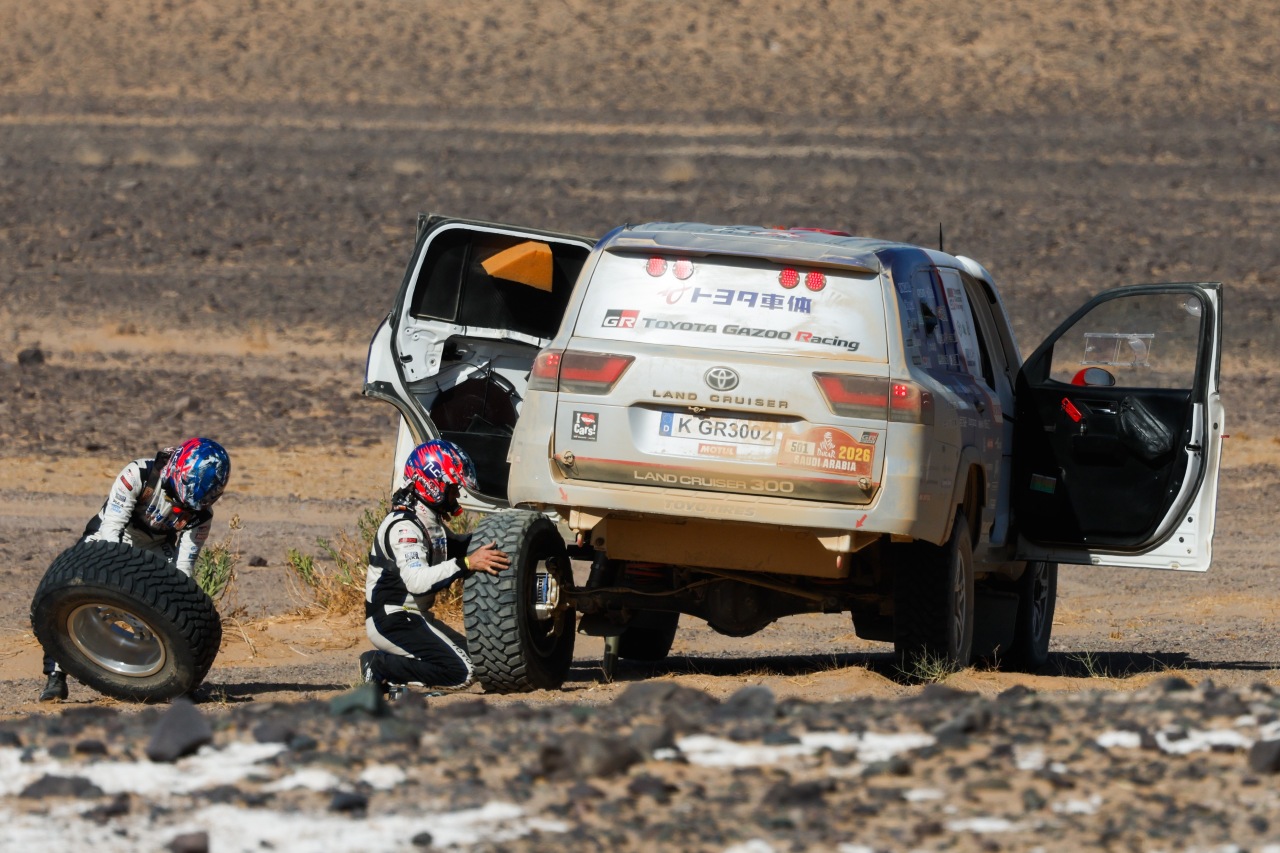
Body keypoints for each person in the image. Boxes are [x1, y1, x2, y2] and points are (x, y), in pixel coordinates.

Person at [38, 437, 231, 702]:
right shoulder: (138, 474)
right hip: (111, 536)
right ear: (177, 468)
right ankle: (55, 677)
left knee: (177, 597)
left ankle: (176, 680)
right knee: (68, 591)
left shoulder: (201, 515)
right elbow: (111, 531)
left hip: (156, 547)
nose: (188, 505)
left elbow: (184, 569)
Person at [360, 439, 509, 697]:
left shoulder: (426, 520)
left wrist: (506, 536)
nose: (456, 495)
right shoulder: (404, 527)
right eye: (452, 488)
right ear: (433, 485)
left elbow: (460, 545)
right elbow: (417, 581)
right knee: (463, 672)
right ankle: (379, 666)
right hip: (393, 620)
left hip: (413, 617)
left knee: (482, 663)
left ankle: (398, 677)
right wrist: (467, 563)